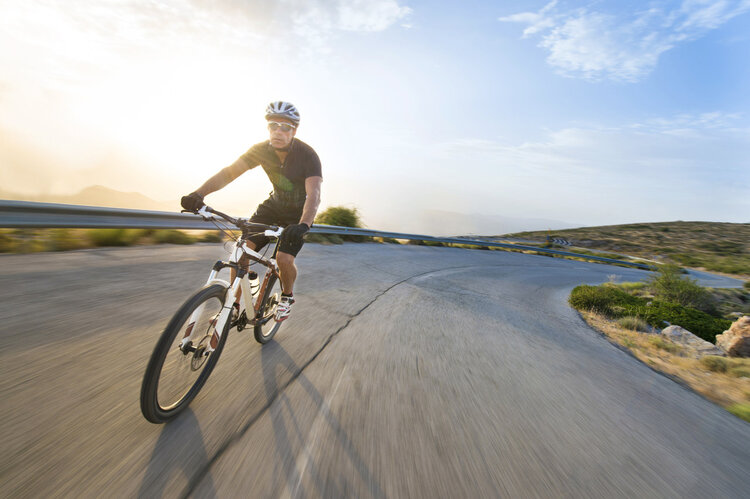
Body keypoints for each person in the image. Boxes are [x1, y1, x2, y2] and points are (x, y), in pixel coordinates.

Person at [181, 101, 322, 322]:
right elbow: (228, 173)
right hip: (273, 206)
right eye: (273, 125)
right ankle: (233, 307)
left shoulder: (307, 155)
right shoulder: (260, 150)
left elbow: (313, 195)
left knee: (284, 259)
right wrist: (198, 194)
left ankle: (287, 296)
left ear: (294, 130)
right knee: (241, 250)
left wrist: (303, 225)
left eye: (285, 127)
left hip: (298, 214)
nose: (278, 131)